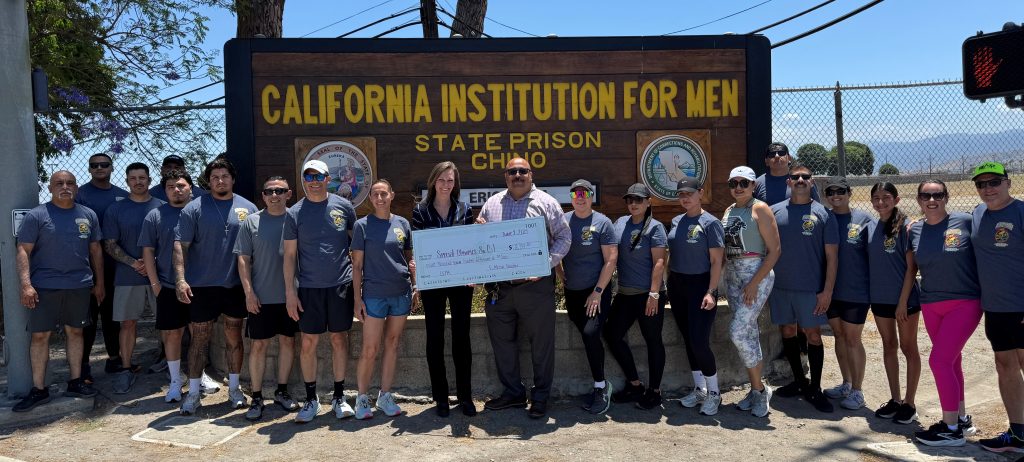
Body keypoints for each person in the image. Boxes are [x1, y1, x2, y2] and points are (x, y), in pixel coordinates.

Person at [476, 158, 571, 419]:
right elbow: (479, 239)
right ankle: (513, 394)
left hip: (535, 287)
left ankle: (540, 396)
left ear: (531, 174)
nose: (517, 175)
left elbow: (564, 237)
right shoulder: (492, 204)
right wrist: (478, 232)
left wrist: (545, 264)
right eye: (512, 171)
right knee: (502, 343)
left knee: (542, 344)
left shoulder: (546, 203)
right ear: (505, 176)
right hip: (500, 289)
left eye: (522, 171)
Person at [174, 158, 257, 415]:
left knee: (234, 338)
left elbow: (256, 249)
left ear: (233, 179)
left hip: (234, 286)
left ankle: (234, 389)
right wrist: (180, 279)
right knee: (199, 341)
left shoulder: (249, 207)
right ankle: (194, 393)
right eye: (214, 177)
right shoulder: (193, 208)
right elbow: (180, 246)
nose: (220, 181)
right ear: (208, 181)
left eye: (224, 176)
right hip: (201, 286)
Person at [13, 171, 102, 412]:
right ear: (50, 188)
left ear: (76, 187)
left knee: (76, 333)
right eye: (59, 183)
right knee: (40, 336)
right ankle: (39, 390)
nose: (65, 187)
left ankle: (75, 382)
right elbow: (23, 250)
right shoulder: (37, 215)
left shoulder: (88, 215)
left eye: (70, 183)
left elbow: (95, 251)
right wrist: (26, 284)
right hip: (44, 287)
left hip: (79, 285)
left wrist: (100, 283)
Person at [284, 159, 358, 423]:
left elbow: (357, 249)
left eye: (319, 176)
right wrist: (291, 294)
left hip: (341, 285)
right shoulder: (293, 213)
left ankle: (339, 397)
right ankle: (311, 399)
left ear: (329, 179)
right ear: (304, 180)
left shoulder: (344, 207)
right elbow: (289, 257)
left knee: (339, 339)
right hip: (309, 288)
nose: (313, 181)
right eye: (309, 176)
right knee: (308, 342)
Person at [909, 179, 982, 447]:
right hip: (930, 304)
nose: (932, 200)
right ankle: (961, 419)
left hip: (965, 302)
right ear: (918, 200)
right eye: (926, 196)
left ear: (947, 197)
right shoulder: (914, 230)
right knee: (952, 361)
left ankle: (950, 430)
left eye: (938, 195)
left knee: (939, 362)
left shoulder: (965, 221)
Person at [770, 163, 838, 413]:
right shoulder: (774, 212)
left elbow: (832, 257)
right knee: (788, 331)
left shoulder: (822, 214)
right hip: (781, 287)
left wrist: (827, 290)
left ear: (812, 182)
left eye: (805, 177)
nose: (800, 180)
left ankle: (816, 388)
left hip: (811, 289)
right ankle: (799, 382)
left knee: (813, 335)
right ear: (788, 182)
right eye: (795, 176)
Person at [411, 161, 477, 417]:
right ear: (433, 181)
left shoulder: (464, 209)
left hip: (461, 282)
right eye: (442, 180)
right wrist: (417, 271)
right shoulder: (420, 211)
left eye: (450, 180)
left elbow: (470, 245)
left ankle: (465, 397)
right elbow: (418, 246)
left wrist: (473, 272)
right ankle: (440, 397)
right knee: (435, 338)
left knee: (462, 338)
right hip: (433, 283)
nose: (446, 185)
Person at [234, 176, 301, 421]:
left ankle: (282, 392)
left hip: (289, 297)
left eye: (280, 191)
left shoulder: (296, 219)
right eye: (269, 191)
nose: (274, 195)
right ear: (263, 195)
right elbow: (243, 259)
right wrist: (249, 293)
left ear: (288, 194)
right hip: (260, 297)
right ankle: (257, 397)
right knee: (259, 346)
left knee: (287, 342)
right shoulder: (251, 222)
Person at [969, 162, 1024, 453]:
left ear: (1008, 183)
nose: (988, 189)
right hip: (996, 308)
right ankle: (1018, 434)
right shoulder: (978, 214)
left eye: (994, 182)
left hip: (1021, 306)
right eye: (981, 184)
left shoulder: (1021, 212)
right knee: (1005, 366)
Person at [351, 179, 415, 420]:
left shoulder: (403, 224)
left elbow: (408, 259)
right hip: (374, 295)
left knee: (393, 344)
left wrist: (415, 285)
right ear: (371, 198)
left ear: (392, 195)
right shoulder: (362, 226)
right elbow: (356, 266)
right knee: (370, 348)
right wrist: (357, 300)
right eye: (375, 194)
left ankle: (385, 395)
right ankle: (361, 397)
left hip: (400, 292)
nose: (380, 198)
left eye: (384, 194)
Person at [720, 166, 780, 418]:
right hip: (733, 275)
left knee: (736, 330)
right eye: (734, 183)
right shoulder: (729, 210)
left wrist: (754, 282)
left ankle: (759, 389)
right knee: (748, 333)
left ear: (753, 185)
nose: (738, 188)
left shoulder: (760, 208)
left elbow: (775, 250)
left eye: (744, 183)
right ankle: (755, 389)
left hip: (756, 273)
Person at [605, 183, 669, 411]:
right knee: (612, 335)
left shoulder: (655, 227)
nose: (633, 203)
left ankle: (654, 392)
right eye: (630, 199)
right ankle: (635, 384)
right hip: (624, 293)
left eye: (638, 200)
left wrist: (653, 294)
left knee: (653, 341)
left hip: (648, 295)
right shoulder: (620, 223)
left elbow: (659, 262)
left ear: (648, 202)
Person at [555, 179, 617, 415]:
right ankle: (600, 384)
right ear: (571, 197)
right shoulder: (564, 221)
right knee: (586, 336)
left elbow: (611, 259)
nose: (580, 197)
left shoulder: (603, 223)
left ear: (591, 196)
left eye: (585, 193)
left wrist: (598, 292)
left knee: (591, 334)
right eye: (575, 193)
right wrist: (561, 274)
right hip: (573, 293)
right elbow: (555, 249)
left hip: (596, 292)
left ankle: (601, 387)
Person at [100, 162, 162, 394]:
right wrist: (134, 263)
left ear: (149, 179)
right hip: (127, 275)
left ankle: (170, 363)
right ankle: (126, 368)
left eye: (142, 177)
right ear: (127, 181)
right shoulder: (115, 210)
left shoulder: (161, 207)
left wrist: (151, 264)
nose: (138, 182)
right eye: (133, 178)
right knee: (127, 323)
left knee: (167, 322)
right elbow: (109, 244)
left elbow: (167, 244)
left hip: (158, 275)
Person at [667, 177, 725, 415]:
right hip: (678, 285)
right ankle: (699, 388)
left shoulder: (710, 223)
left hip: (701, 285)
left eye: (689, 193)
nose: (685, 198)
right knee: (689, 339)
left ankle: (714, 393)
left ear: (701, 193)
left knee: (700, 341)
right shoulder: (676, 221)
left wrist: (711, 292)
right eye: (681, 194)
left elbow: (716, 261)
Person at [866, 182, 922, 425]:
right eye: (876, 198)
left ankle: (909, 403)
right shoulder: (870, 227)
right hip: (879, 299)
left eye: (886, 197)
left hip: (904, 301)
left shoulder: (907, 227)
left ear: (896, 200)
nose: (881, 202)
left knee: (908, 348)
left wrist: (902, 303)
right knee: (889, 345)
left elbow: (911, 269)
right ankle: (895, 399)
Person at [138, 169, 194, 403]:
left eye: (181, 185)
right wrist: (155, 284)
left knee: (200, 333)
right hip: (168, 285)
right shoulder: (154, 216)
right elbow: (147, 251)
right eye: (171, 187)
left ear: (190, 187)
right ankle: (174, 381)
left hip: (200, 284)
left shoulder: (199, 212)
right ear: (165, 190)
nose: (176, 190)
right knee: (172, 334)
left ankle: (196, 377)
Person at [820, 177, 872, 411]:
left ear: (849, 192)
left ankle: (858, 391)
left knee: (853, 339)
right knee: (839, 336)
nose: (835, 196)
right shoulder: (824, 218)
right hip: (831, 290)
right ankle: (846, 383)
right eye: (830, 192)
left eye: (840, 191)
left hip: (856, 291)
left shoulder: (863, 220)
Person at [74, 153, 126, 381]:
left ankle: (114, 359)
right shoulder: (80, 195)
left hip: (116, 266)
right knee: (88, 319)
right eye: (94, 165)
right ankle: (83, 366)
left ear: (112, 168)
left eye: (104, 164)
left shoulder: (122, 196)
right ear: (89, 169)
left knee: (113, 316)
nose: (99, 168)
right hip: (87, 267)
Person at [753, 142, 820, 206]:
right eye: (772, 154)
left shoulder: (804, 180)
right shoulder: (757, 183)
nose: (777, 156)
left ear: (789, 158)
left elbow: (816, 206)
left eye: (781, 153)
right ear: (766, 161)